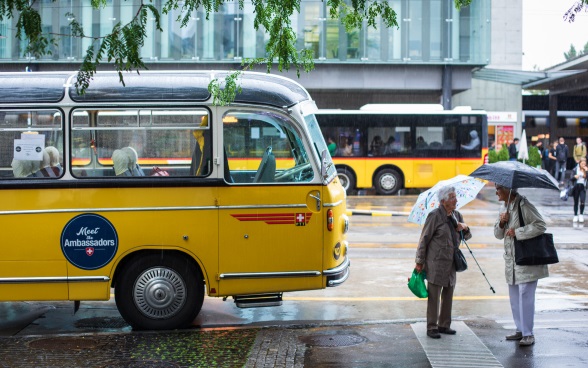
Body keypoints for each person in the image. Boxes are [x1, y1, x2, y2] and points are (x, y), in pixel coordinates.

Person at [494, 184, 548, 347]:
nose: (496, 192)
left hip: (527, 260)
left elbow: (540, 225)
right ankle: (520, 329)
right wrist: (502, 223)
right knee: (515, 297)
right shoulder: (503, 208)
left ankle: (528, 333)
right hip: (512, 261)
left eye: (498, 189)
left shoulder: (524, 205)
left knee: (525, 295)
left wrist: (518, 232)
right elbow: (497, 234)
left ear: (508, 190)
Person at [415, 186, 471, 339]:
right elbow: (424, 240)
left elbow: (467, 236)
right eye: (452, 197)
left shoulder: (457, 215)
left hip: (451, 262)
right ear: (443, 201)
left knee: (448, 294)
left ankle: (444, 325)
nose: (456, 200)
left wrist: (464, 227)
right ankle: (432, 326)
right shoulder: (434, 216)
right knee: (434, 295)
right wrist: (419, 261)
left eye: (455, 197)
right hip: (436, 262)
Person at [571, 158, 587, 223]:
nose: (583, 165)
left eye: (584, 164)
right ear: (579, 163)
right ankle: (575, 215)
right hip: (576, 186)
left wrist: (587, 172)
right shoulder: (575, 169)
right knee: (576, 201)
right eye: (582, 164)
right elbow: (571, 179)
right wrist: (575, 177)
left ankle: (581, 214)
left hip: (583, 187)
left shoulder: (586, 170)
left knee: (582, 201)